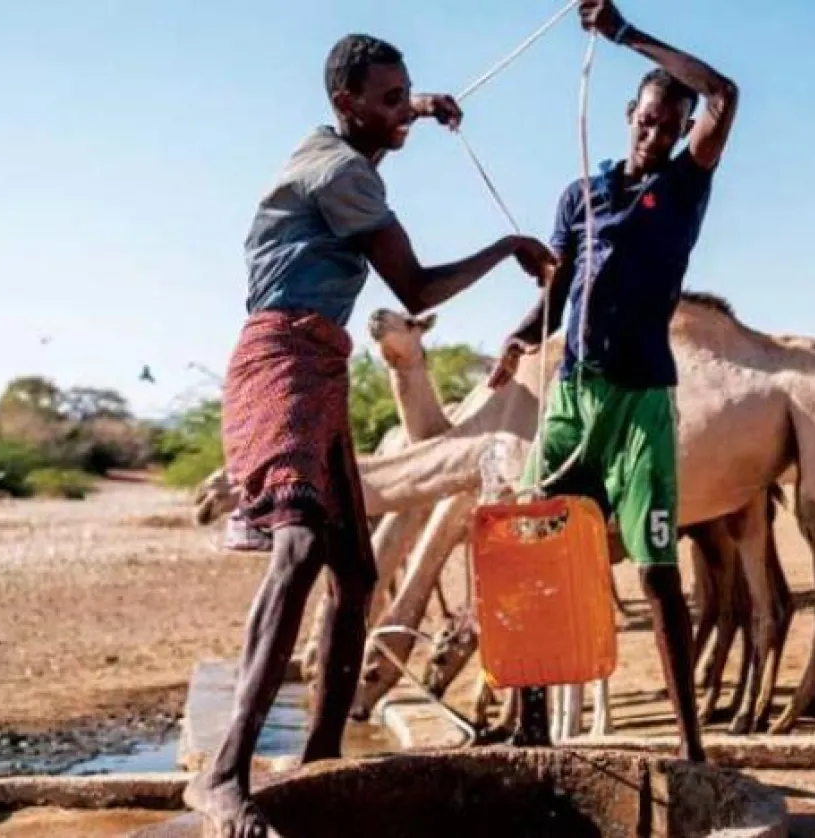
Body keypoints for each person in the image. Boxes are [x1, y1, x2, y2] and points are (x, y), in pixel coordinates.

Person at [186, 33, 556, 838]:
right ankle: (220, 778)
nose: (404, 111)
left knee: (355, 572)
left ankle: (319, 754)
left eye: (407, 95)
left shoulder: (324, 146)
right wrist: (509, 248)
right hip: (281, 361)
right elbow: (417, 286)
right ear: (348, 102)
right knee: (297, 552)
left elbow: (373, 140)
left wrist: (413, 111)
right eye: (389, 100)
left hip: (322, 363)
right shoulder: (343, 172)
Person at [486, 0, 739, 762]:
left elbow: (727, 95)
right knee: (535, 550)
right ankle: (530, 730)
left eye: (670, 124)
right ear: (630, 113)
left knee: (659, 574)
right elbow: (559, 296)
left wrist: (624, 33)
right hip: (572, 395)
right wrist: (520, 334)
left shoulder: (686, 187)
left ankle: (692, 747)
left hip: (640, 402)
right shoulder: (580, 197)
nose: (654, 133)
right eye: (648, 119)